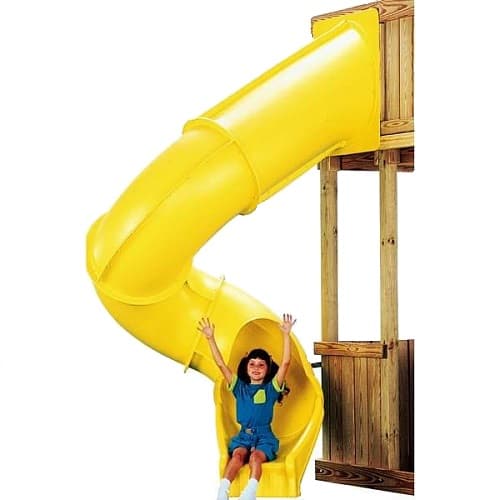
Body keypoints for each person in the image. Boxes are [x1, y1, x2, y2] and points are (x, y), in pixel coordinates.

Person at [197, 314, 296, 500]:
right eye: (252, 364)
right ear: (246, 366)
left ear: (267, 369)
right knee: (237, 456)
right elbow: (220, 364)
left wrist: (286, 335)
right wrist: (210, 338)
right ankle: (223, 490)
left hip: (264, 436)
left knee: (255, 458)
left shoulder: (271, 389)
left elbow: (285, 363)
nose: (256, 368)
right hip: (243, 435)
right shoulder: (239, 388)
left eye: (261, 365)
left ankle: (250, 492)